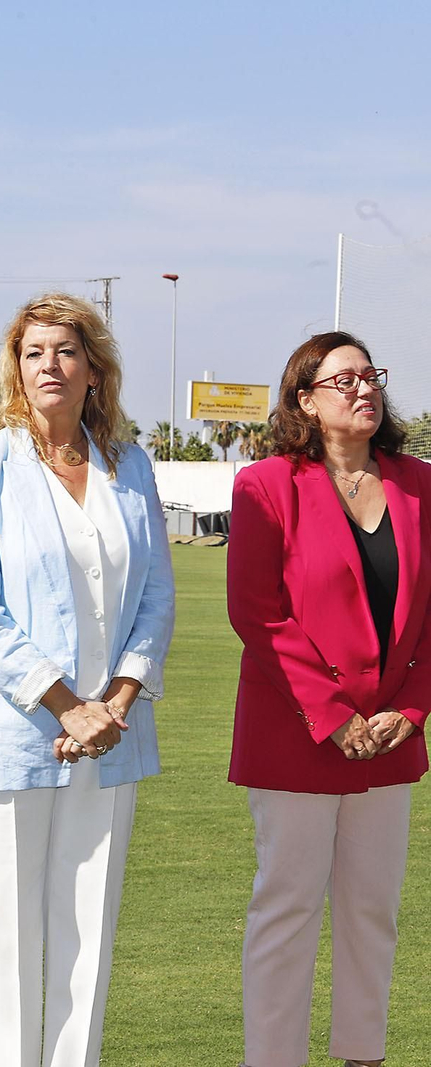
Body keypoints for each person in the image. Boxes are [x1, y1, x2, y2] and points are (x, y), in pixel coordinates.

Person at [0, 293, 175, 1066]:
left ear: (93, 370)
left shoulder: (130, 465)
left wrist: (115, 701)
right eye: (34, 350)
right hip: (8, 742)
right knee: (2, 950)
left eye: (65, 350)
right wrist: (66, 706)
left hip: (110, 740)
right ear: (17, 368)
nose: (50, 363)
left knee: (87, 944)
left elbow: (157, 595)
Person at [227, 331, 428, 1067]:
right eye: (343, 379)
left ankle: (363, 1055)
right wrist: (333, 716)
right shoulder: (264, 485)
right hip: (297, 736)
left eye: (370, 374)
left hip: (389, 739)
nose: (364, 387)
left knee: (373, 911)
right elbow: (257, 612)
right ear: (304, 399)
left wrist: (409, 710)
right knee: (287, 910)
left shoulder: (419, 484)